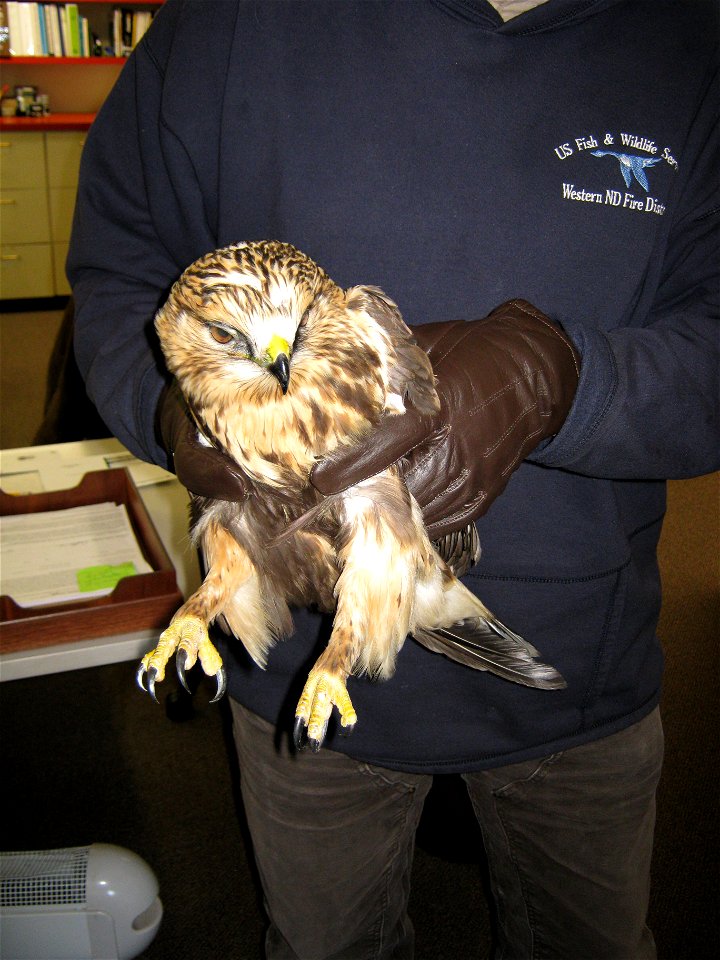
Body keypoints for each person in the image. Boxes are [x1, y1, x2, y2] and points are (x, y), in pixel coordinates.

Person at [66, 1, 719, 957]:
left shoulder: (694, 44)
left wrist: (567, 378)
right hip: (287, 648)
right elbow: (122, 266)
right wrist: (173, 404)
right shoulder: (228, 22)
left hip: (584, 662)